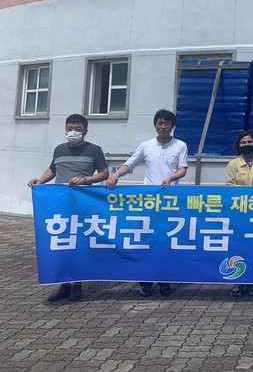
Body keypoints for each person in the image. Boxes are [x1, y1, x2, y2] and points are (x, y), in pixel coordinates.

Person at [106, 109, 188, 298]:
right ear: (155, 125)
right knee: (146, 242)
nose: (163, 127)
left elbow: (183, 169)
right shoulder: (146, 146)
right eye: (160, 123)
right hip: (148, 203)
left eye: (167, 123)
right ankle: (145, 282)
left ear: (172, 126)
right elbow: (130, 164)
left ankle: (164, 281)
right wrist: (116, 175)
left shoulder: (180, 145)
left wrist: (171, 177)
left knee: (165, 242)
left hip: (169, 202)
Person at [28, 114, 109, 302]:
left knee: (78, 243)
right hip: (60, 204)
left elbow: (104, 173)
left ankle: (77, 285)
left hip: (82, 204)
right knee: (62, 242)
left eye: (78, 129)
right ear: (65, 129)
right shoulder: (59, 149)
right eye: (70, 128)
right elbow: (53, 169)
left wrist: (85, 179)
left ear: (85, 131)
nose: (73, 132)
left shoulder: (94, 150)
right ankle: (64, 284)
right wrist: (40, 181)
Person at [225, 130, 253, 296]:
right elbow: (230, 186)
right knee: (238, 246)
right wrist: (248, 193)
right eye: (243, 142)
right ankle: (237, 281)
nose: (247, 145)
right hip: (239, 213)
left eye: (249, 142)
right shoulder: (233, 165)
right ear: (238, 145)